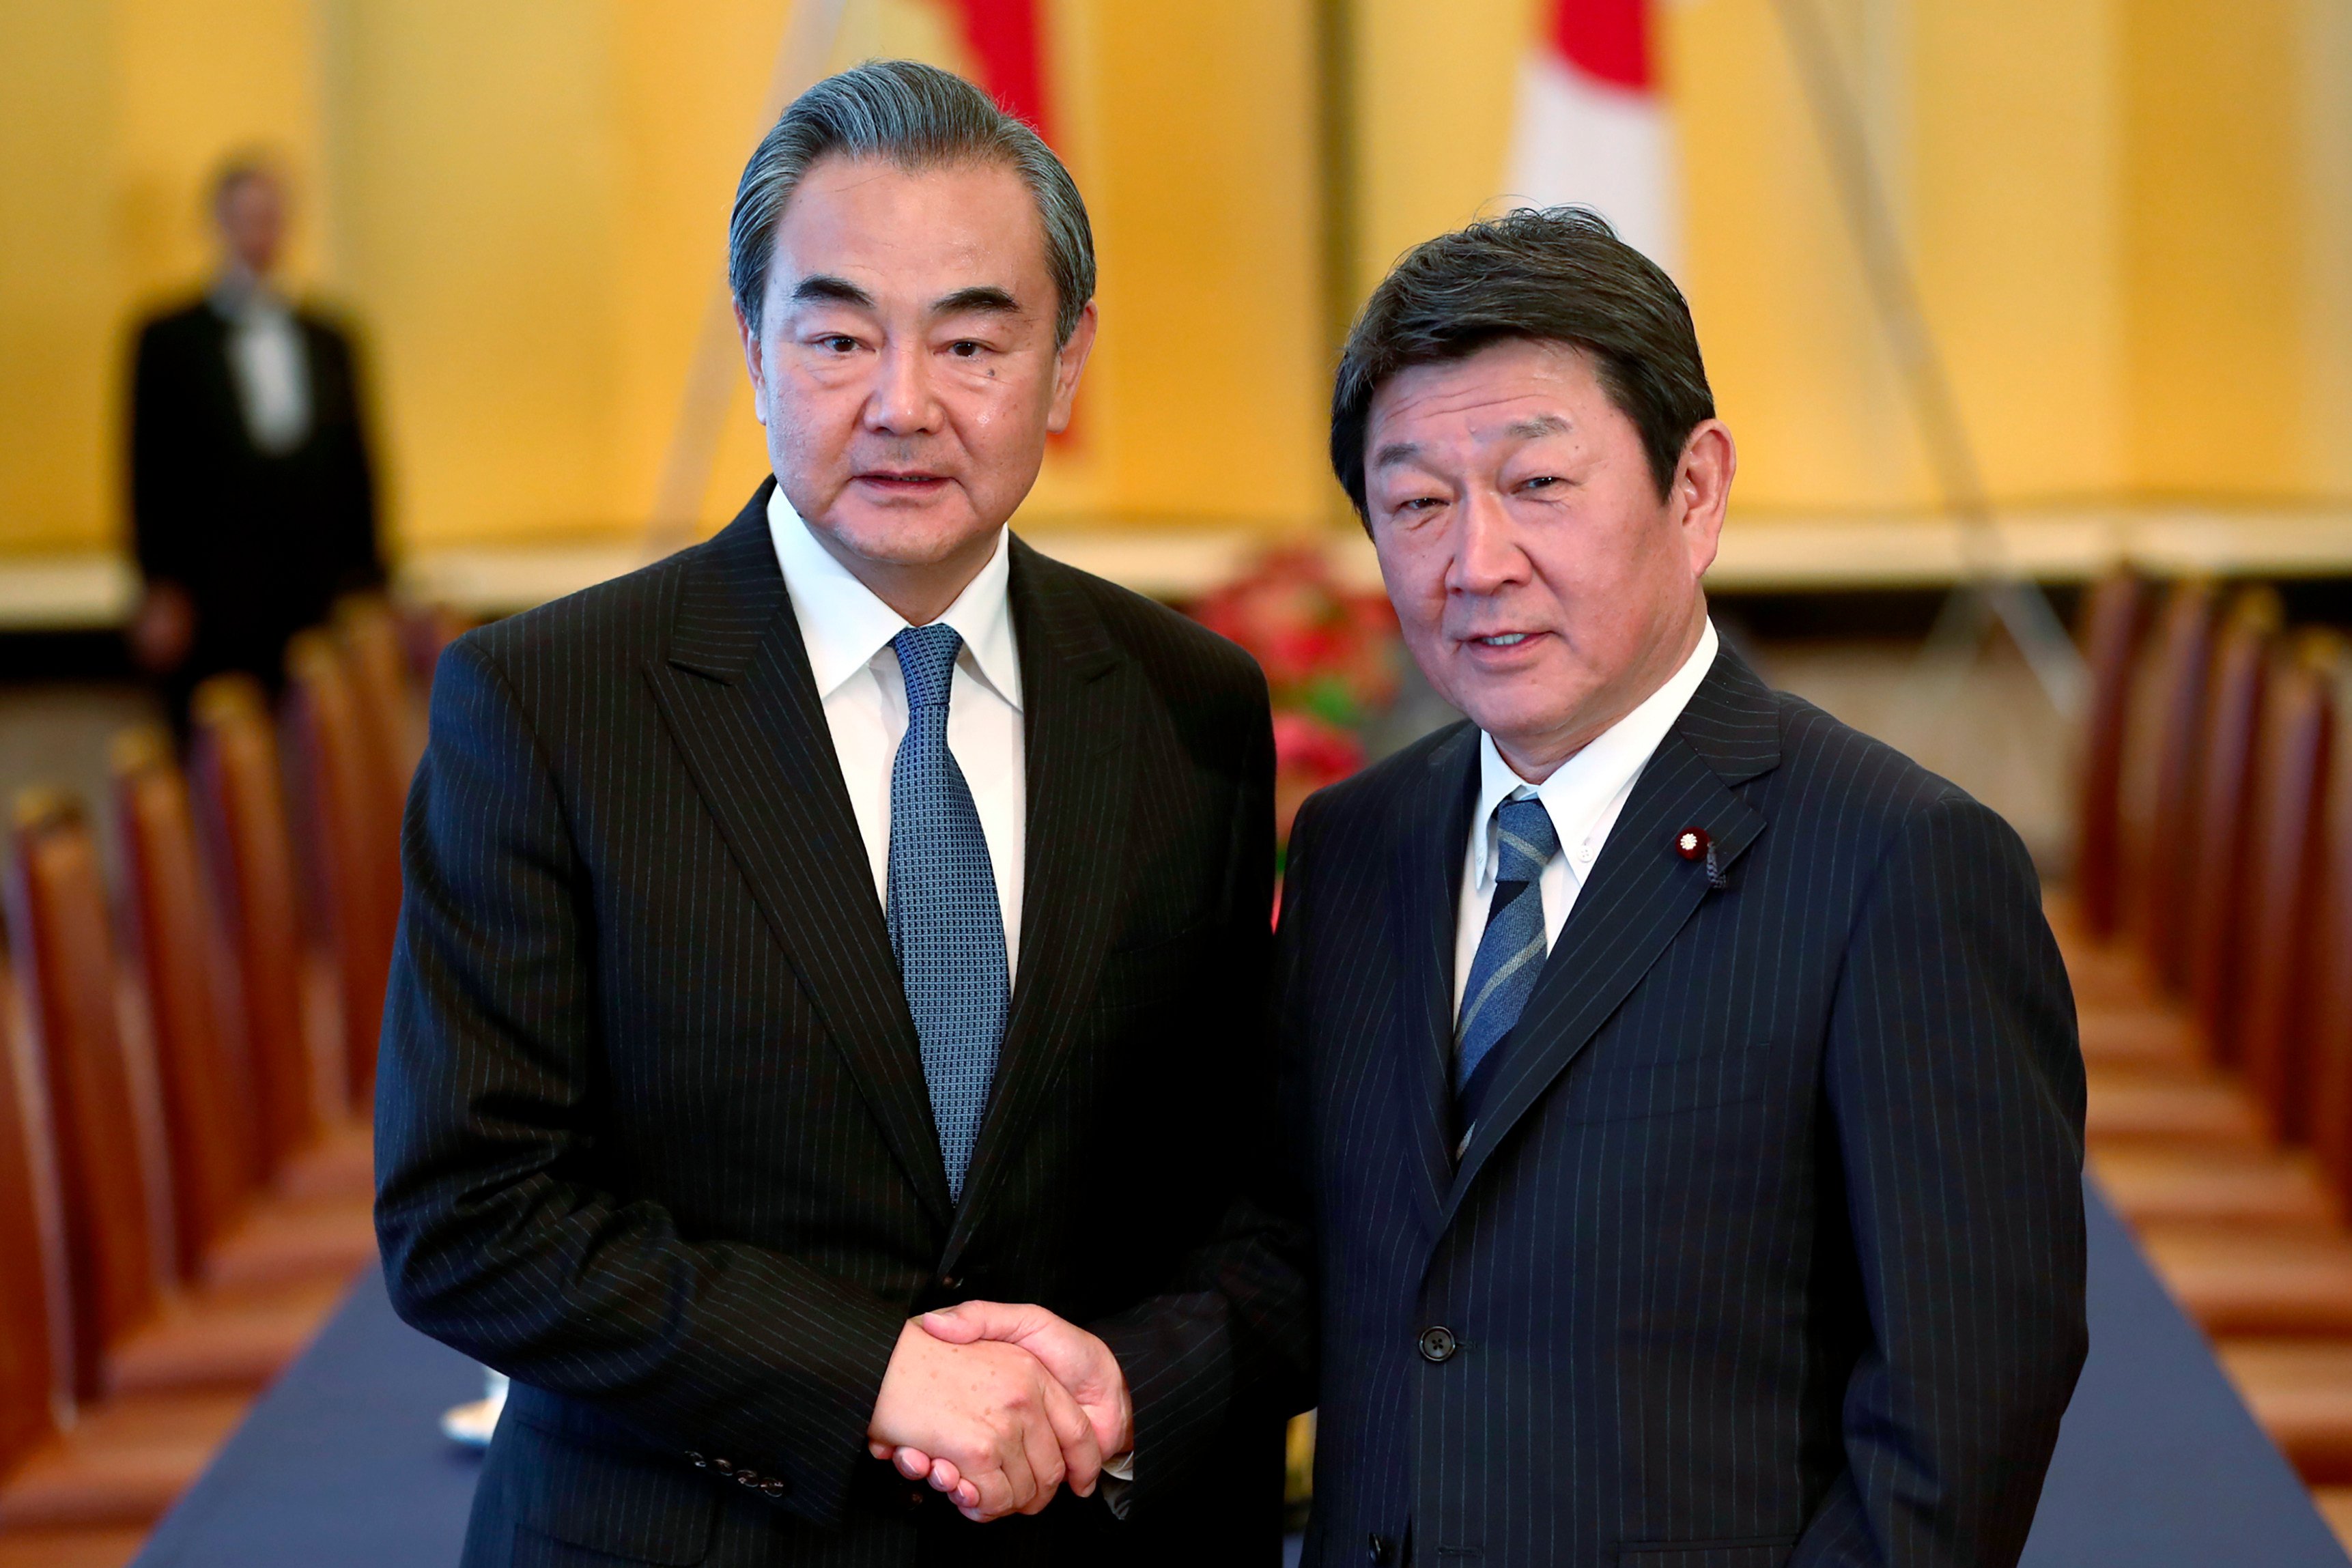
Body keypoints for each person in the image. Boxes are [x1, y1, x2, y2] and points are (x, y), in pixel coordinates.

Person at [375, 61, 1308, 1567]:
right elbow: (471, 1213)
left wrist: (1137, 1380)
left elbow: (1247, 1189)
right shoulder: (553, 702)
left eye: (971, 338)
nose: (903, 403)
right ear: (753, 345)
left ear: (1066, 367)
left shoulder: (1185, 703)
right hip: (676, 1529)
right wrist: (870, 1374)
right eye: (837, 333)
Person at [1277, 209, 2086, 1566]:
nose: (1475, 562)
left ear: (1695, 488)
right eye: (1416, 501)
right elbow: (1317, 1266)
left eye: (1538, 485)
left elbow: (1960, 1424)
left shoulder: (1897, 862)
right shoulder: (1358, 845)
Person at [127, 156, 382, 723]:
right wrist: (157, 585)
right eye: (245, 217)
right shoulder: (167, 339)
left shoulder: (331, 337)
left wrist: (371, 585)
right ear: (216, 224)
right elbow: (148, 469)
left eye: (270, 217)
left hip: (314, 587)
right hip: (215, 593)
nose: (259, 232)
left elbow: (360, 466)